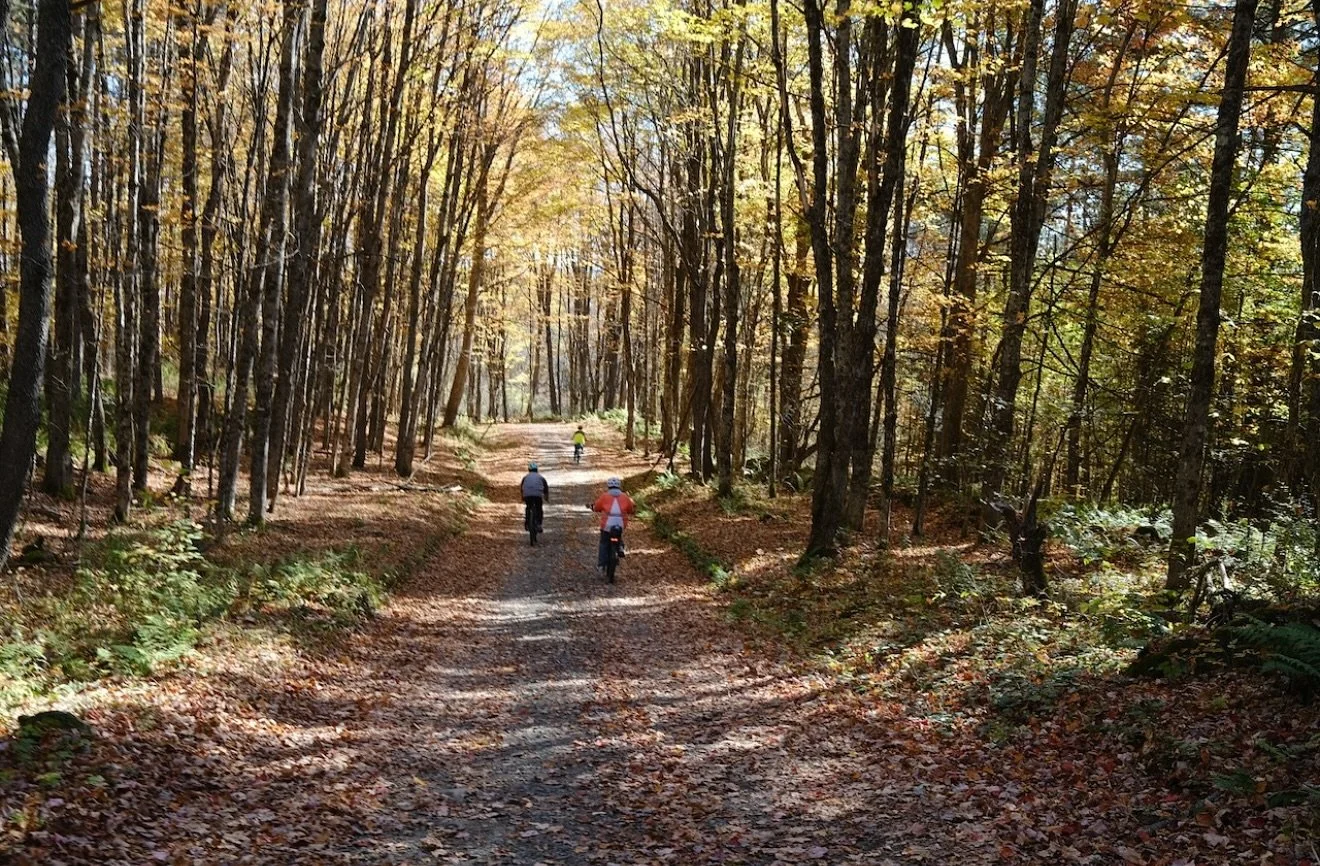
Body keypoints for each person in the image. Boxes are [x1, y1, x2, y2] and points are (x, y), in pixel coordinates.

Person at [591, 476, 635, 567]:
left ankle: (601, 564)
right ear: (619, 486)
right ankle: (620, 547)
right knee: (618, 535)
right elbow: (631, 509)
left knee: (604, 542)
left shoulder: (604, 496)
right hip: (621, 523)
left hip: (607, 524)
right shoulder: (625, 497)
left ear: (608, 486)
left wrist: (594, 508)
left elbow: (597, 507)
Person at [521, 462, 549, 533]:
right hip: (537, 495)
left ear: (529, 470)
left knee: (528, 507)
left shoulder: (525, 477)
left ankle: (527, 524)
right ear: (537, 470)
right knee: (539, 508)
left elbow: (522, 488)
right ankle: (539, 524)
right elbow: (546, 488)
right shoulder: (541, 477)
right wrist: (546, 497)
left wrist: (522, 497)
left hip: (527, 495)